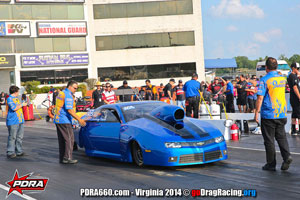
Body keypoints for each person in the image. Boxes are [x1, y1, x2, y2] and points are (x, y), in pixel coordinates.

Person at [255, 57, 292, 171]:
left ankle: (271, 164)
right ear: (276, 67)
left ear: (266, 67)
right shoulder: (282, 78)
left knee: (269, 140)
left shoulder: (264, 79)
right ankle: (287, 157)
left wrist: (256, 112)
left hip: (269, 114)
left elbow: (260, 97)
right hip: (281, 113)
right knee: (281, 137)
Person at [54, 80, 86, 164]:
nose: (75, 90)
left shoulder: (62, 92)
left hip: (58, 119)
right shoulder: (68, 95)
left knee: (62, 140)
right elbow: (70, 110)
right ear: (70, 87)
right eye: (75, 88)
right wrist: (80, 120)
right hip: (64, 119)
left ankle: (62, 158)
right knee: (70, 139)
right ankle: (67, 157)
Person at [6, 86, 27, 158]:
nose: (19, 93)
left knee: (19, 137)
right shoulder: (9, 99)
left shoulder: (17, 99)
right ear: (15, 92)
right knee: (12, 137)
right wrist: (22, 105)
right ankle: (10, 152)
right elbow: (14, 108)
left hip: (20, 120)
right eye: (18, 91)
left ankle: (19, 151)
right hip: (13, 121)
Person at [287, 62, 300, 135]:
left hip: (293, 97)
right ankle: (297, 129)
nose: (298, 70)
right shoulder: (293, 76)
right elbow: (295, 87)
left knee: (295, 113)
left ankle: (294, 129)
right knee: (298, 113)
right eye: (297, 68)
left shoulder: (291, 76)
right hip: (295, 97)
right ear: (293, 68)